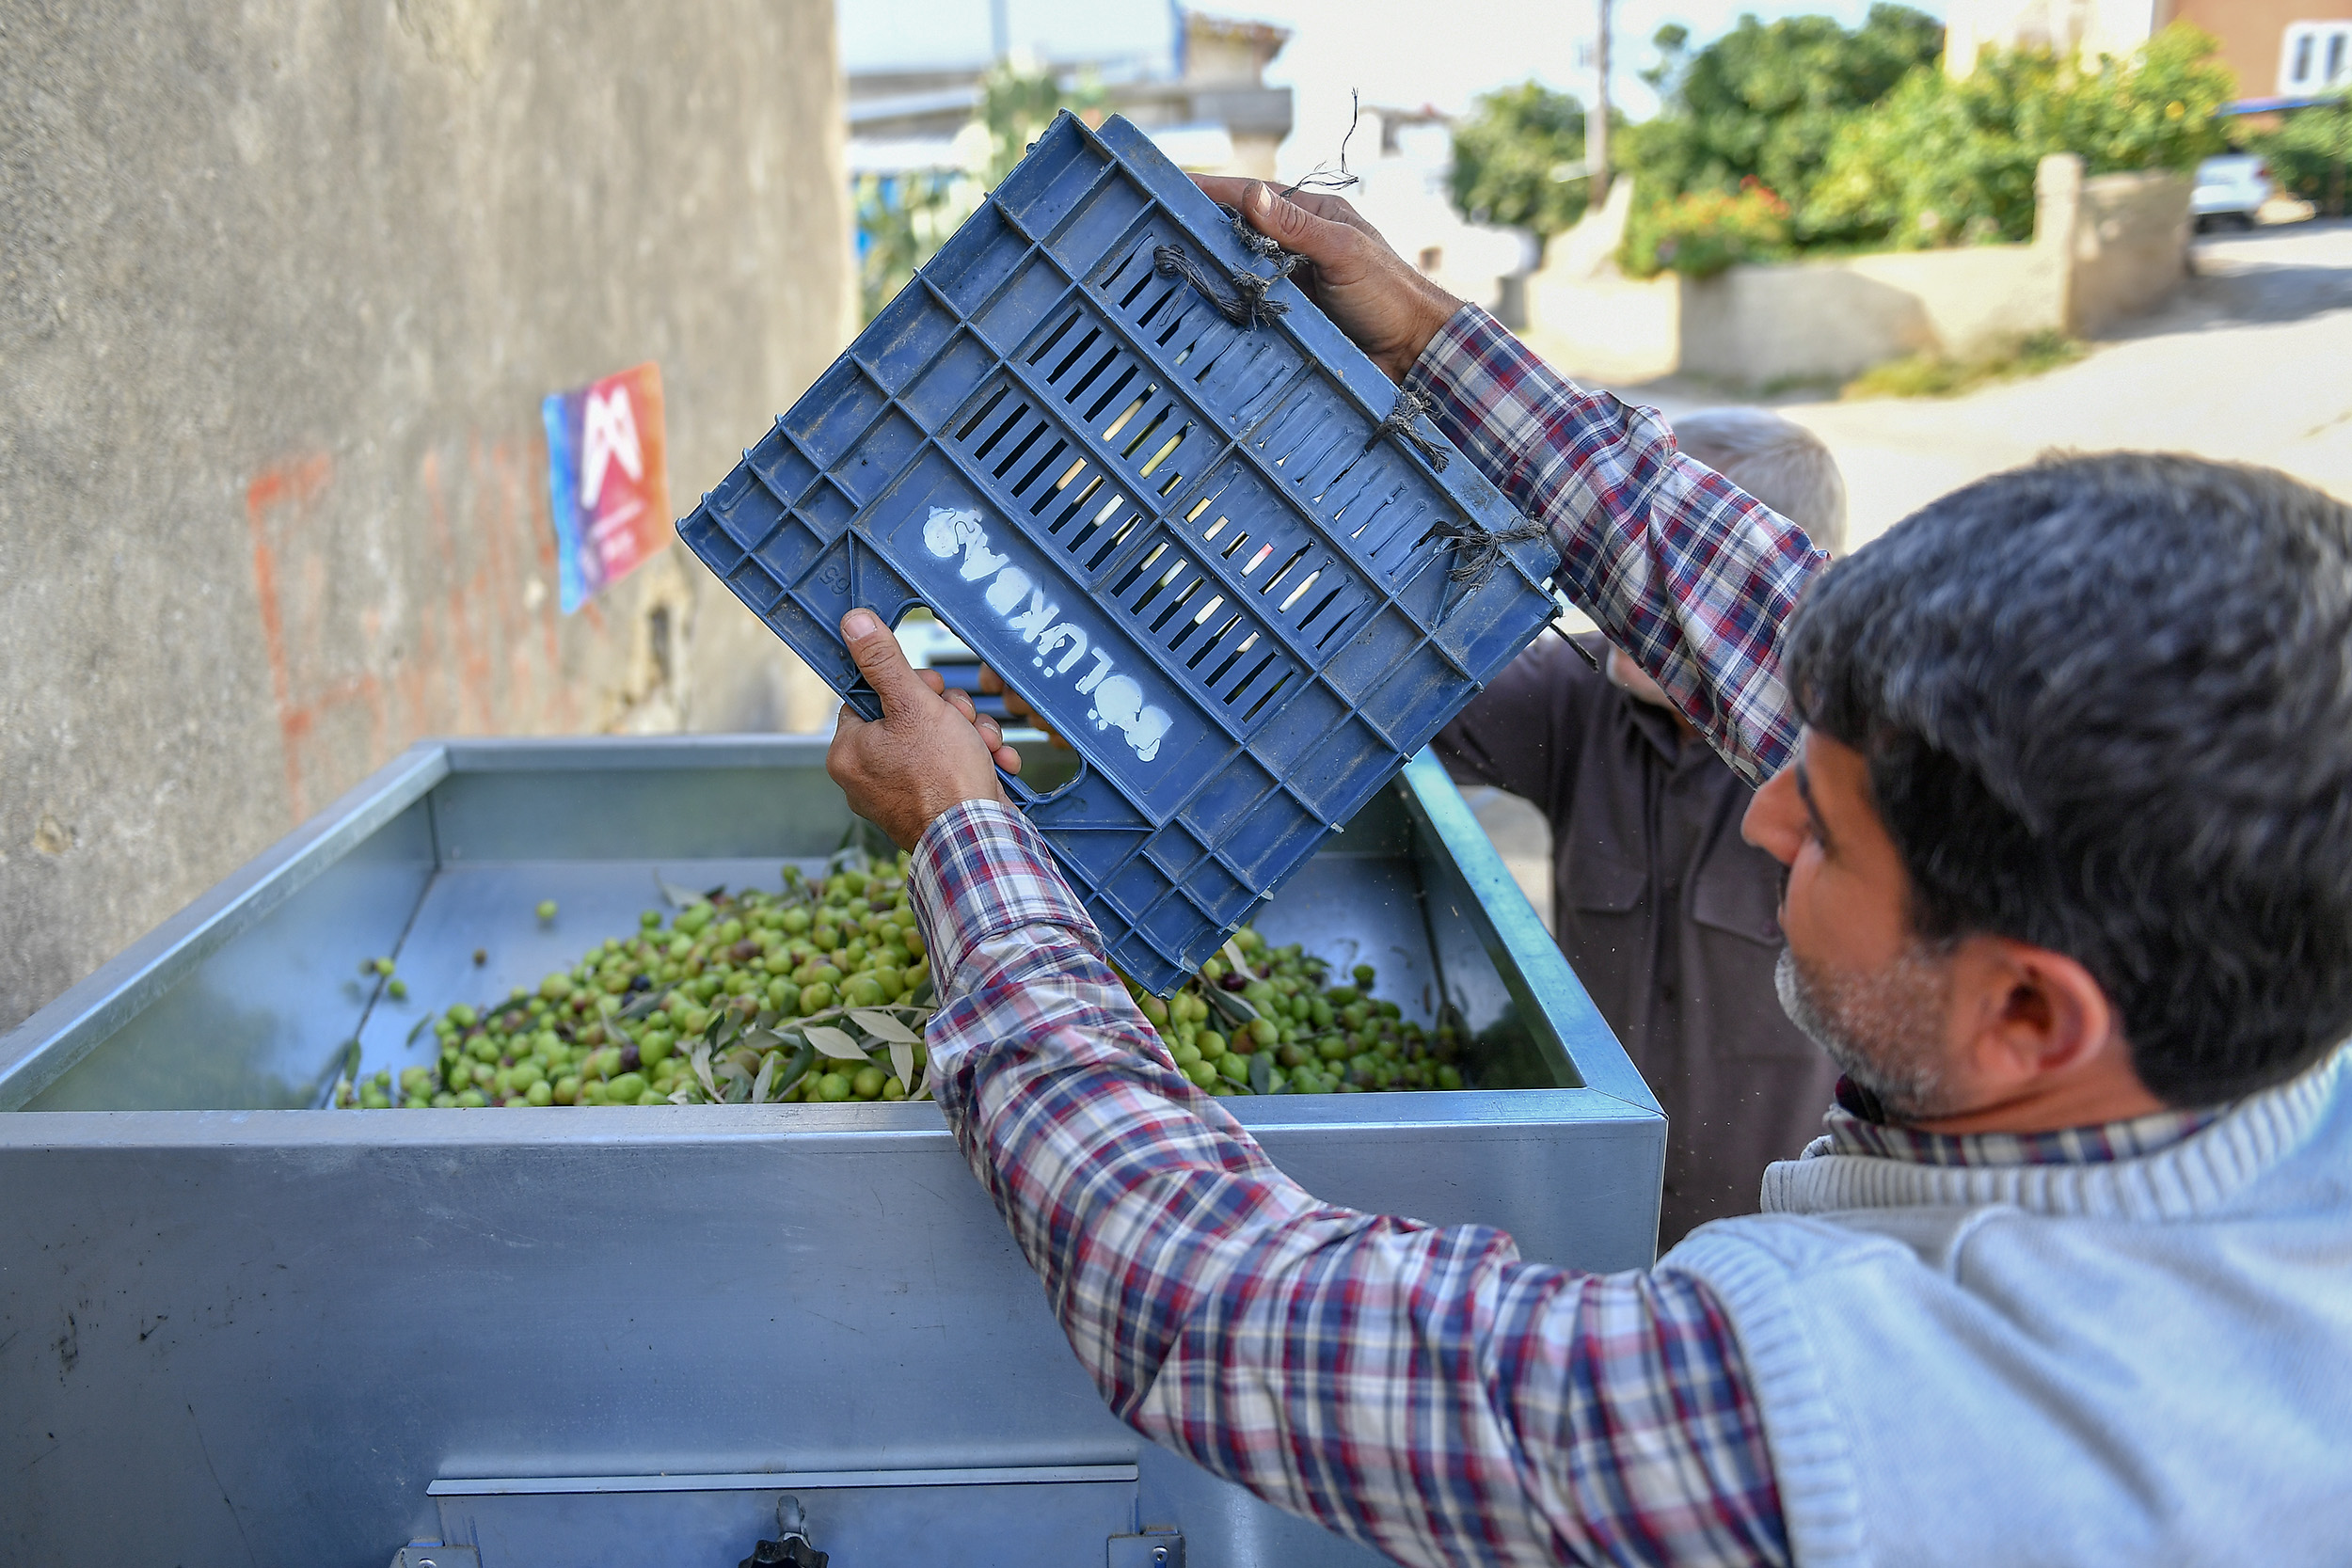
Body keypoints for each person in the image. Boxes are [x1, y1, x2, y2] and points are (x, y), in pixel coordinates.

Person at [824, 175, 2352, 1566]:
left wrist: (971, 846)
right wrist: (1423, 334)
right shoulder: (2227, 953)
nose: (1764, 819)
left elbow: (1217, 1299)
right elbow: (1757, 612)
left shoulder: (1885, 1442)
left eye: (1817, 832)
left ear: (2028, 1015)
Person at [1438, 406, 1850, 1248]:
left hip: (1766, 1234)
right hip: (1593, 1206)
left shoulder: (1844, 769)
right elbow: (1408, 684)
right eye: (1618, 573)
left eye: (1669, 586)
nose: (1627, 607)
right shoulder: (1581, 690)